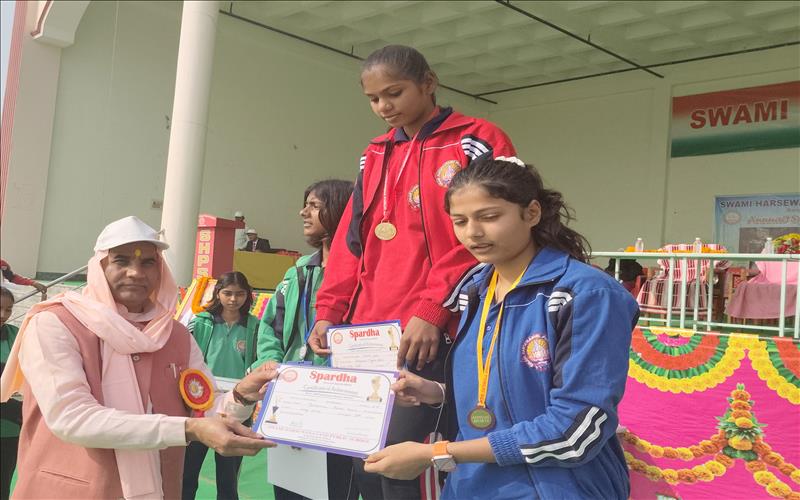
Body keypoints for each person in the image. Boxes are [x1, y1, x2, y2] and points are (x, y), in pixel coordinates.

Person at [362, 157, 639, 499]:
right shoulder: (476, 288)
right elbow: (505, 394)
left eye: (489, 217)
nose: (473, 233)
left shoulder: (586, 294)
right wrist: (438, 393)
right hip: (471, 488)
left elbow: (575, 432)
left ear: (532, 213)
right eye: (460, 221)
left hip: (556, 489)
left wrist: (436, 453)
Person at [308, 45, 516, 499]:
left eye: (394, 93)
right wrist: (329, 310)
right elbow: (351, 241)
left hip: (432, 329)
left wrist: (432, 309)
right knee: (363, 460)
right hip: (366, 334)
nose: (384, 106)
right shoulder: (373, 154)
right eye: (373, 98)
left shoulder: (474, 140)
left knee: (400, 464)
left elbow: (484, 236)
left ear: (429, 83)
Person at [0, 216, 275, 499]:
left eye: (148, 262)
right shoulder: (55, 323)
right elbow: (72, 418)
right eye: (121, 260)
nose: (135, 272)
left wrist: (241, 396)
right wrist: (187, 429)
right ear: (100, 266)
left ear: (160, 269)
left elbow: (206, 406)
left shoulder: (174, 335)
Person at [255, 179, 357, 500]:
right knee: (289, 489)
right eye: (306, 205)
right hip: (293, 399)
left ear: (341, 211)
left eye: (314, 206)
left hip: (341, 405)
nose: (303, 212)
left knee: (336, 487)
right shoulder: (298, 271)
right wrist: (270, 366)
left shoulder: (365, 274)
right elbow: (270, 329)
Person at [182, 271, 260, 500]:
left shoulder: (255, 326)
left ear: (248, 295)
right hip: (200, 406)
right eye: (227, 293)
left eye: (239, 294)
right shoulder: (201, 322)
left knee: (228, 478)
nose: (233, 299)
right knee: (187, 473)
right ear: (218, 293)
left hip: (238, 407)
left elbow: (260, 361)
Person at [0, 287, 21, 500]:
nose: (3, 315)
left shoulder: (16, 335)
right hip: (12, 414)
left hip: (9, 430)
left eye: (8, 309)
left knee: (2, 483)